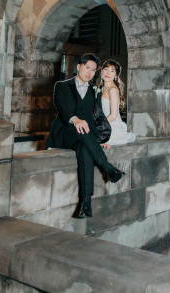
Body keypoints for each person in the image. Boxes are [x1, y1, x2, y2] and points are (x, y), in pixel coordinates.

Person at [45, 53, 125, 219]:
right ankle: (108, 167)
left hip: (83, 137)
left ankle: (86, 203)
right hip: (64, 133)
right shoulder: (62, 85)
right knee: (79, 126)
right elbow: (60, 105)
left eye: (93, 70)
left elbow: (94, 119)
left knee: (84, 149)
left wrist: (96, 142)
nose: (90, 72)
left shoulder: (93, 91)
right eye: (87, 67)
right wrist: (74, 119)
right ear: (79, 66)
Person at [99, 60, 136, 145]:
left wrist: (99, 128)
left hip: (111, 126)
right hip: (104, 123)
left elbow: (113, 115)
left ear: (116, 75)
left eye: (112, 71)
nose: (108, 73)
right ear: (102, 71)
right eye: (106, 69)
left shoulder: (113, 90)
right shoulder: (102, 89)